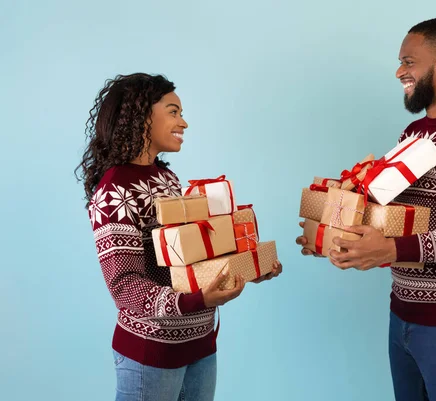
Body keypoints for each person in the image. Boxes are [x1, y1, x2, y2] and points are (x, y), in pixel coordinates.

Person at [296, 17, 436, 401]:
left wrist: (392, 250)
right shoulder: (412, 136)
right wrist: (329, 232)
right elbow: (387, 215)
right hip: (404, 314)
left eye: (409, 61)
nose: (399, 71)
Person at [76, 73, 282, 401]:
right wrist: (196, 301)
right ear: (141, 114)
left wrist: (245, 267)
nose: (183, 122)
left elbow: (192, 256)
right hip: (153, 355)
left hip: (200, 346)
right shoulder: (116, 189)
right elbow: (124, 286)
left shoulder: (166, 177)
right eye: (173, 111)